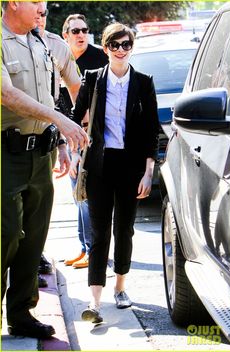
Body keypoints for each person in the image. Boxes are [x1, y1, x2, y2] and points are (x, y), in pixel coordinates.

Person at [1, 1, 88, 339]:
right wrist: (60, 120)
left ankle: (21, 312)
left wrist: (63, 143)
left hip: (42, 154)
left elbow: (54, 95)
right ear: (13, 4)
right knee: (6, 232)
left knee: (34, 237)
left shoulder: (41, 43)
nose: (42, 9)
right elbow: (6, 94)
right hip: (5, 153)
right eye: (36, 2)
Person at [73, 22, 159, 323]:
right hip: (100, 165)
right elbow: (75, 118)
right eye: (115, 45)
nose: (121, 50)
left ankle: (120, 286)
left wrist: (148, 172)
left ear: (131, 47)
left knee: (124, 228)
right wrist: (73, 152)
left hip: (131, 167)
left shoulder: (144, 82)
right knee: (99, 233)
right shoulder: (93, 79)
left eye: (126, 45)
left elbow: (151, 131)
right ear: (106, 48)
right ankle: (93, 301)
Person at [36, 4, 81, 285]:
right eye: (35, 11)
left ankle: (34, 254)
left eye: (43, 13)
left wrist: (69, 142)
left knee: (39, 205)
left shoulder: (55, 46)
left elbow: (71, 93)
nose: (39, 18)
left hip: (44, 141)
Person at [61, 13, 109, 269]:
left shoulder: (99, 58)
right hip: (68, 134)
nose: (81, 35)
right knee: (77, 195)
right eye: (75, 31)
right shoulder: (61, 58)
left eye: (84, 30)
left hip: (91, 136)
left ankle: (94, 251)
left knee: (88, 194)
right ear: (65, 35)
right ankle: (83, 247)